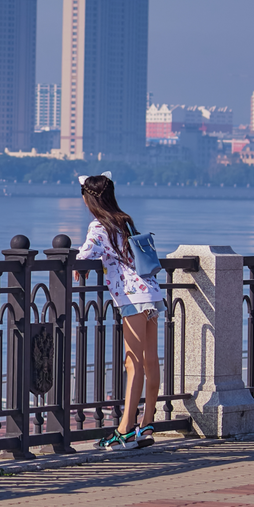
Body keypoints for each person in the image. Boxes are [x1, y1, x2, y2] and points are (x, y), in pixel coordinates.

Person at [74, 173, 165, 450]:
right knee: (151, 359)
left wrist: (77, 264)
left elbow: (86, 252)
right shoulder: (125, 220)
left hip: (131, 296)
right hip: (150, 291)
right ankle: (146, 423)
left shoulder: (99, 226)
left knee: (133, 361)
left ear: (89, 199)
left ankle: (125, 429)